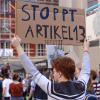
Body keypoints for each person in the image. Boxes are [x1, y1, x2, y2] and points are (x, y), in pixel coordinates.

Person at [11, 37, 90, 100]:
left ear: (60, 73)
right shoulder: (81, 87)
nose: (53, 73)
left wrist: (18, 46)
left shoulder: (52, 89)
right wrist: (86, 49)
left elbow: (32, 71)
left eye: (54, 71)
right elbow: (85, 71)